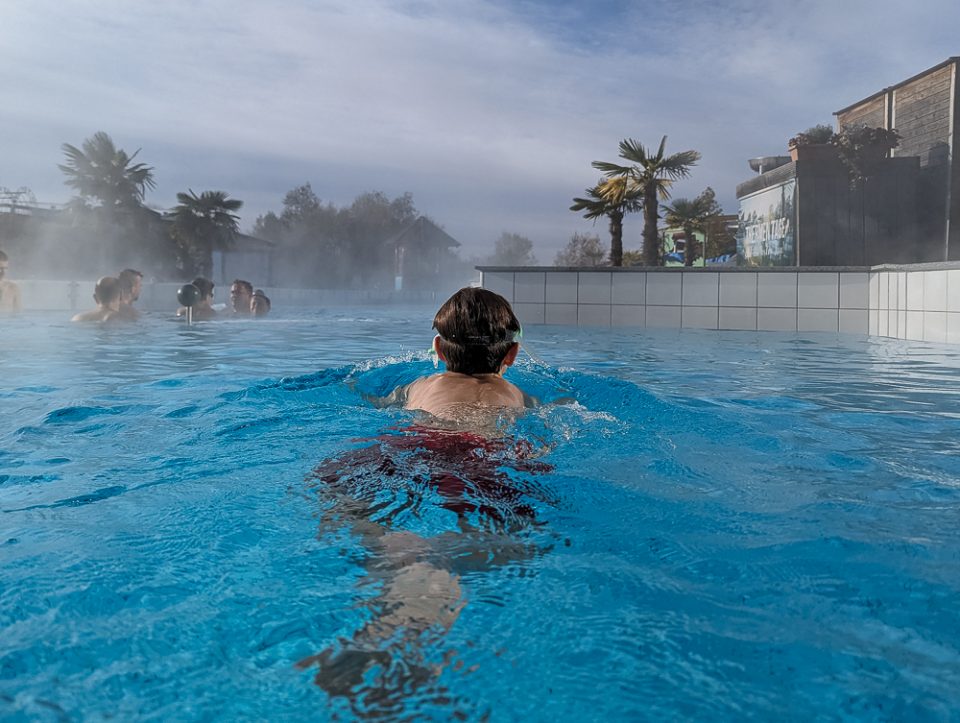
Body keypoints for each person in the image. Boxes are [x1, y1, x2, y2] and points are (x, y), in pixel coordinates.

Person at [400, 287, 528, 421]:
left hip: (428, 430)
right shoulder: (516, 395)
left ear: (438, 349)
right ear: (512, 354)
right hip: (492, 432)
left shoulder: (420, 387)